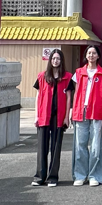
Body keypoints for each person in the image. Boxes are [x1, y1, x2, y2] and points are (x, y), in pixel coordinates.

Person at [31, 49, 73, 187]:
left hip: (59, 116)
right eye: (53, 58)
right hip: (44, 115)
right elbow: (38, 96)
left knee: (56, 147)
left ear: (61, 61)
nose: (55, 61)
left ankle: (53, 177)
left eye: (58, 58)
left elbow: (68, 98)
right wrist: (36, 115)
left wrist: (67, 117)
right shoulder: (42, 76)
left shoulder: (67, 77)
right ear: (50, 60)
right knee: (42, 147)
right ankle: (39, 177)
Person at [71, 45, 102, 186]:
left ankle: (94, 175)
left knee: (96, 145)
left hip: (97, 111)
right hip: (81, 111)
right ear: (86, 55)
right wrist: (73, 111)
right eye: (89, 53)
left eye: (94, 53)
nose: (91, 55)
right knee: (80, 144)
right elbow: (76, 93)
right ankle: (80, 175)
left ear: (98, 56)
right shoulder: (78, 72)